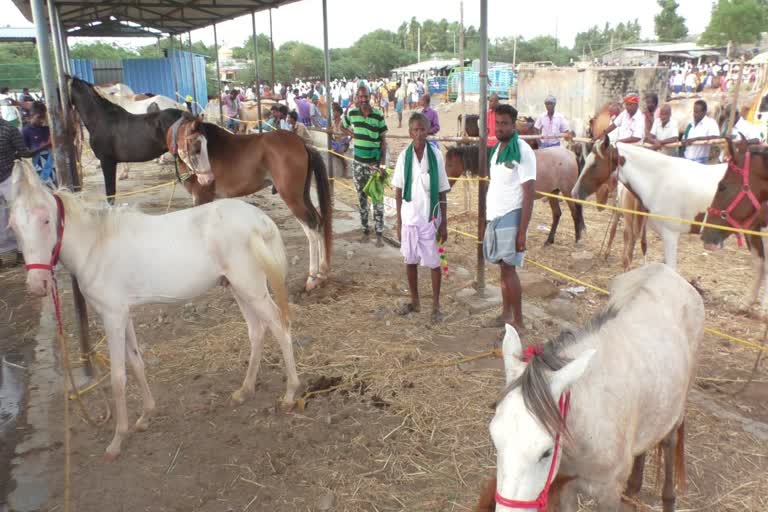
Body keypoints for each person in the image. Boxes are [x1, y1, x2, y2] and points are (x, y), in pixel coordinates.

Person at [392, 112, 450, 323]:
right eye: (415, 130)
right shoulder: (403, 157)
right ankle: (415, 301)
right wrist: (399, 223)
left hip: (430, 219)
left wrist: (444, 223)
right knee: (410, 260)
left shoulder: (435, 156)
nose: (418, 133)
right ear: (409, 133)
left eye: (422, 129)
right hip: (409, 219)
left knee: (434, 262)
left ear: (428, 131)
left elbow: (442, 190)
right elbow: (398, 191)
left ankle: (436, 305)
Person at [483, 104, 536, 332]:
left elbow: (529, 193)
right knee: (503, 269)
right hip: (496, 215)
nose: (500, 127)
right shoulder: (497, 150)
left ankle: (519, 322)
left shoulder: (523, 151)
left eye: (505, 123)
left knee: (509, 269)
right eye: (498, 123)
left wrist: (522, 231)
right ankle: (506, 315)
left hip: (512, 215)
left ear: (514, 125)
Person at [341, 85, 388, 246]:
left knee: (377, 199)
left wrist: (382, 165)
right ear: (356, 97)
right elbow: (341, 126)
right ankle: (365, 231)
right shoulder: (352, 114)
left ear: (370, 96)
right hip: (358, 164)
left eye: (366, 96)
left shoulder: (378, 115)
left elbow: (383, 142)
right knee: (361, 198)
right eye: (360, 97)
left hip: (374, 165)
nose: (363, 100)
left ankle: (380, 235)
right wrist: (352, 134)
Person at [0, 115, 35, 266]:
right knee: (17, 214)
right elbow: (23, 152)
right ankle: (20, 251)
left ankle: (20, 250)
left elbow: (23, 152)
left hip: (9, 178)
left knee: (16, 214)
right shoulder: (10, 128)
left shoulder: (9, 129)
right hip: (9, 177)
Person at [22, 102, 56, 184]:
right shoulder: (26, 131)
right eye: (39, 117)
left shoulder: (48, 128)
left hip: (53, 167)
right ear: (31, 116)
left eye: (44, 117)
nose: (42, 120)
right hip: (38, 169)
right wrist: (46, 145)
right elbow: (25, 154)